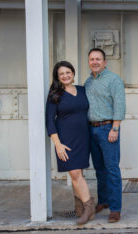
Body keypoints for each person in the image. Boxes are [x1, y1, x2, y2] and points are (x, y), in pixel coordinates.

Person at [46, 61, 95, 225]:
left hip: (83, 137)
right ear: (58, 77)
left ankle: (79, 209)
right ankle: (89, 207)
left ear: (73, 73)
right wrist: (57, 144)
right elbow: (50, 121)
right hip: (65, 140)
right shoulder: (54, 94)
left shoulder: (82, 90)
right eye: (62, 74)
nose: (65, 76)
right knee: (74, 174)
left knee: (78, 174)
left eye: (68, 72)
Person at [84, 48, 126, 223]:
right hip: (91, 130)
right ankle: (103, 201)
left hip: (108, 128)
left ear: (105, 62)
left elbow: (120, 105)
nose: (95, 62)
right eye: (92, 59)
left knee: (112, 169)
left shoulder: (114, 80)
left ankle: (115, 209)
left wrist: (114, 129)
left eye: (98, 59)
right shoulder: (87, 82)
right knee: (99, 170)